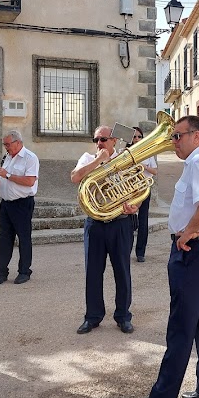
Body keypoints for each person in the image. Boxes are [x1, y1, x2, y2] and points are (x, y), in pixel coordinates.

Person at [127, 115, 199, 398]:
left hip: (193, 248)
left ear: (196, 136)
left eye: (177, 135)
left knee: (180, 326)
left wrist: (188, 232)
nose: (172, 141)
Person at [70, 126, 137, 335]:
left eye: (104, 139)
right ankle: (92, 316)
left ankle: (123, 316)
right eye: (96, 139)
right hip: (95, 223)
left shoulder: (126, 159)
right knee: (93, 272)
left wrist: (134, 205)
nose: (99, 143)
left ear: (114, 140)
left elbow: (137, 188)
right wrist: (99, 160)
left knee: (122, 272)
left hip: (120, 222)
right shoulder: (88, 158)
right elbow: (75, 177)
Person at [0, 130, 39, 285]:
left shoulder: (30, 158)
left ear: (18, 142)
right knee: (4, 238)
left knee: (24, 238)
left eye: (8, 144)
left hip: (22, 204)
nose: (6, 147)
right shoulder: (7, 158)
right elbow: (3, 180)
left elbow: (30, 181)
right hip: (6, 204)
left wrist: (7, 175)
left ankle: (24, 271)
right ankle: (1, 272)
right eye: (4, 144)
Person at [130, 126, 158, 263]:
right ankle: (126, 250)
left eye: (139, 136)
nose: (136, 139)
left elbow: (155, 171)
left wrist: (143, 166)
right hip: (129, 190)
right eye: (134, 136)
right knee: (127, 221)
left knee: (143, 221)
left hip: (144, 189)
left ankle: (140, 252)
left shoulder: (148, 153)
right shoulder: (125, 152)